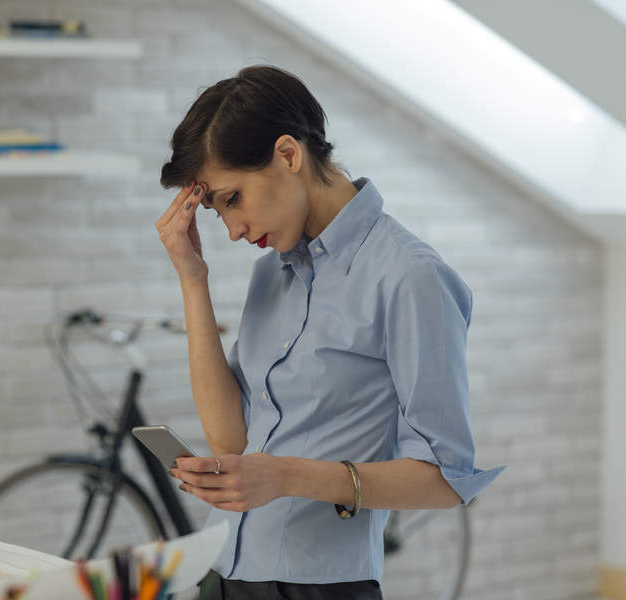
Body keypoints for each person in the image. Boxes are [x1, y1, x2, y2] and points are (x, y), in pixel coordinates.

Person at [155, 65, 505, 600]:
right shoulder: (271, 271)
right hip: (222, 570)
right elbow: (231, 441)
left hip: (319, 587)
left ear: (288, 155)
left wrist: (288, 477)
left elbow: (445, 478)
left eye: (232, 199)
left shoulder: (411, 276)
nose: (232, 231)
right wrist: (192, 280)